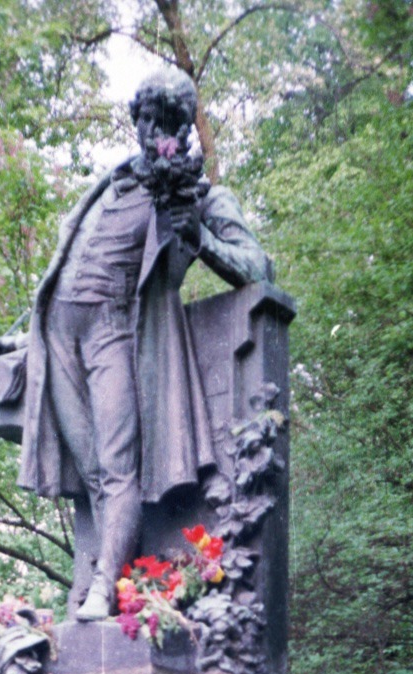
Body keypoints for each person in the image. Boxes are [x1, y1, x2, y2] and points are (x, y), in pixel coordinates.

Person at [18, 66, 272, 621]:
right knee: (88, 470)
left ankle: (107, 586)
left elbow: (258, 266)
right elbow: (67, 263)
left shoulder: (198, 195)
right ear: (137, 121)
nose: (155, 128)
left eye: (168, 121)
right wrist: (22, 334)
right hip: (58, 329)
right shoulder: (107, 184)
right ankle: (105, 571)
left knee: (116, 466)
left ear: (184, 131)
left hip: (117, 330)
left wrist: (197, 236)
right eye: (148, 117)